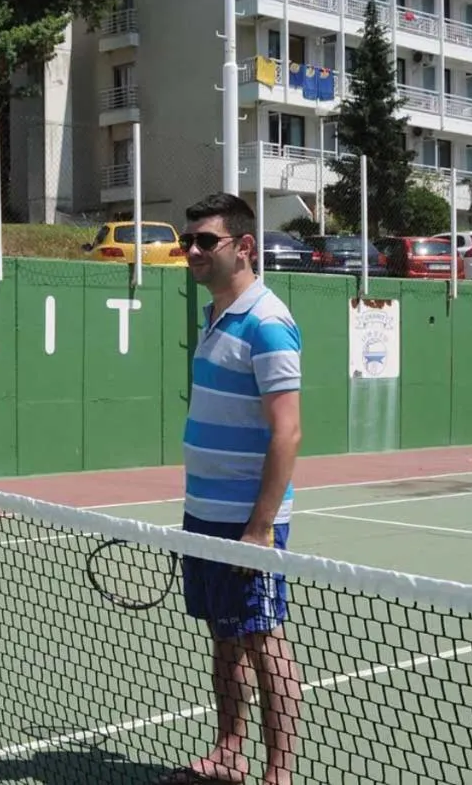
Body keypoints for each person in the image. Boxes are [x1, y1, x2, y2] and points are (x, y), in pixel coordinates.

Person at [166, 193, 303, 785]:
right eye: (187, 241)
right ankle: (228, 756)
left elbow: (287, 432)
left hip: (247, 520)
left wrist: (259, 527)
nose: (192, 251)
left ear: (244, 247)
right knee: (224, 636)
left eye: (205, 241)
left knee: (263, 641)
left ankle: (278, 775)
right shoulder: (215, 315)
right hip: (205, 514)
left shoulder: (268, 323)